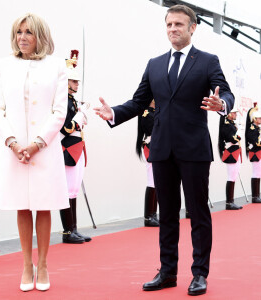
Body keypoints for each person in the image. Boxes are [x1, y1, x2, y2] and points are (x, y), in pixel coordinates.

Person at [94, 4, 234, 296]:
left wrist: (223, 105)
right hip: (161, 150)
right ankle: (168, 272)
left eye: (179, 25)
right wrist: (113, 114)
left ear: (192, 27)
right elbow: (138, 102)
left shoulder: (208, 61)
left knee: (198, 214)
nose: (173, 29)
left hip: (194, 150)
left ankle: (199, 274)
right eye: (169, 24)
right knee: (167, 214)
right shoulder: (155, 64)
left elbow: (226, 92)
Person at [0, 13, 69, 292]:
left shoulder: (56, 66)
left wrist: (37, 143)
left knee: (44, 204)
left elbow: (60, 111)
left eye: (28, 32)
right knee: (22, 206)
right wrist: (13, 142)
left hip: (43, 148)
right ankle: (27, 264)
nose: (22, 37)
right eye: (18, 32)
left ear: (40, 37)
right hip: (14, 149)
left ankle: (44, 263)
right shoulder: (4, 65)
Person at [59, 50, 91, 244]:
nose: (76, 84)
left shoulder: (72, 101)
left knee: (74, 190)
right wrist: (80, 116)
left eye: (77, 81)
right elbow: (65, 128)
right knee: (68, 190)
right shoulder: (63, 101)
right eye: (73, 81)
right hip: (68, 147)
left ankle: (74, 229)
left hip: (77, 147)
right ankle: (67, 231)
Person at [136, 100, 159, 227]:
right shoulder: (146, 114)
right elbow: (154, 131)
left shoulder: (155, 113)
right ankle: (148, 216)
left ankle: (153, 214)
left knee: (156, 182)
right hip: (151, 147)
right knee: (152, 181)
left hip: (157, 147)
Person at [218, 108, 243, 210]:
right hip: (231, 152)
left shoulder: (231, 124)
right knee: (231, 177)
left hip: (234, 152)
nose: (235, 115)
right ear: (228, 114)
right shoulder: (226, 124)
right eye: (234, 113)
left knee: (233, 176)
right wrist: (240, 132)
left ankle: (231, 201)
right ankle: (229, 202)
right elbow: (232, 139)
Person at [245, 104, 261, 203]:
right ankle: (255, 196)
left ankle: (257, 195)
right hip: (255, 152)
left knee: (258, 173)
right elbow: (256, 142)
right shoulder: (251, 129)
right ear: (254, 119)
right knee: (256, 173)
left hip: (258, 152)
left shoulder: (257, 128)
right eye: (259, 118)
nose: (260, 119)